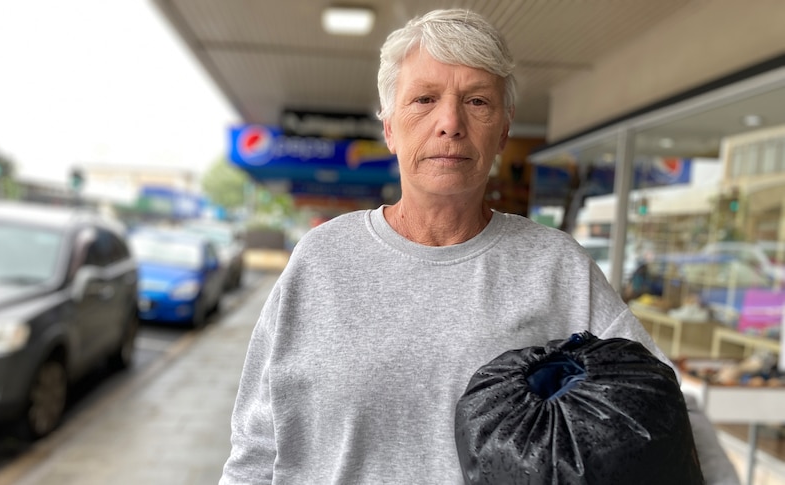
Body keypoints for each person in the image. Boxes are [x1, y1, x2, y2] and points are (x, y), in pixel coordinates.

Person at [220, 8, 739, 485]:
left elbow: (661, 404)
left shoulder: (553, 266)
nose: (450, 123)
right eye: (424, 100)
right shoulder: (322, 259)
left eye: (477, 101)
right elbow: (257, 447)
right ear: (390, 128)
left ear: (502, 130)